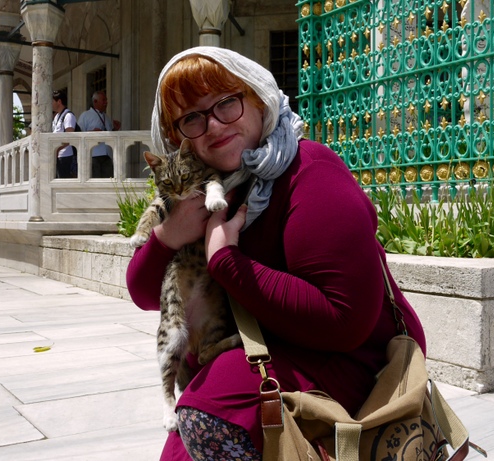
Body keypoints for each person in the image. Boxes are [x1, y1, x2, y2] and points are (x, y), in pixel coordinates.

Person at [125, 46, 426, 461]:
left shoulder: (310, 170)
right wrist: (167, 235)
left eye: (227, 103)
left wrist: (226, 262)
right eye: (192, 117)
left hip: (355, 360)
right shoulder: (209, 190)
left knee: (214, 408)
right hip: (268, 345)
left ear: (257, 97)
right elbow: (143, 292)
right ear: (178, 138)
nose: (212, 125)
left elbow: (346, 322)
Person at [77, 90, 121, 178]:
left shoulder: (107, 117)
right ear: (95, 101)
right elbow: (78, 134)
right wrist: (91, 133)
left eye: (106, 100)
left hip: (107, 155)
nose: (106, 102)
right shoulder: (85, 116)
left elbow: (108, 134)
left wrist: (114, 129)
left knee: (108, 181)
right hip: (93, 155)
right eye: (104, 100)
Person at [51, 90, 77, 178]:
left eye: (52, 101)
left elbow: (69, 137)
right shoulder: (57, 116)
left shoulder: (68, 116)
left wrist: (57, 149)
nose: (51, 103)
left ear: (59, 101)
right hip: (58, 156)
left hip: (65, 157)